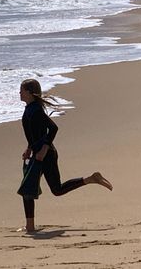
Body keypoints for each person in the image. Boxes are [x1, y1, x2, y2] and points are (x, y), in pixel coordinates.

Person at [17, 79, 113, 233]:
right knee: (53, 190)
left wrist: (43, 149)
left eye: (21, 90)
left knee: (30, 189)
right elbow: (35, 134)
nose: (19, 93)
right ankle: (91, 179)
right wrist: (29, 148)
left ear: (29, 92)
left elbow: (53, 128)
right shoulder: (30, 108)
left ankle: (30, 227)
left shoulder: (36, 110)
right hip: (39, 154)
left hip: (46, 155)